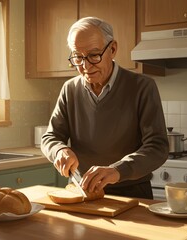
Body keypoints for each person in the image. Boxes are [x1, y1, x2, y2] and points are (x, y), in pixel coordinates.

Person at [40, 17, 169, 199]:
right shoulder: (70, 89)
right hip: (80, 191)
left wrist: (117, 171)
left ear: (113, 49)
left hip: (131, 193)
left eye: (94, 55)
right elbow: (50, 137)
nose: (85, 66)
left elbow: (158, 147)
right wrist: (59, 150)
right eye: (78, 56)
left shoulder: (142, 87)